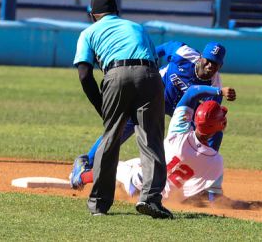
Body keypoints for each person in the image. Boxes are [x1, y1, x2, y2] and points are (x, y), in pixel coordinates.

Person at [70, 41, 228, 188]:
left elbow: (209, 117)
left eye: (215, 64)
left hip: (182, 110)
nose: (210, 66)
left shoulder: (215, 88)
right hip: (154, 95)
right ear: (201, 57)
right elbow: (160, 50)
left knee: (213, 132)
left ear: (220, 66)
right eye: (207, 60)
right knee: (122, 128)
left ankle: (200, 181)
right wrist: (148, 64)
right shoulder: (183, 53)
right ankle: (86, 163)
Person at [73, 0, 172, 218]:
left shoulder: (88, 32)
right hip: (150, 75)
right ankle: (151, 199)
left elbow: (84, 74)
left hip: (116, 74)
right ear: (117, 12)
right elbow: (154, 61)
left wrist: (102, 107)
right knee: (151, 139)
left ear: (92, 16)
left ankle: (99, 204)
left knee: (111, 138)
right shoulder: (137, 27)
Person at [77, 85, 237, 205]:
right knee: (135, 163)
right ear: (220, 126)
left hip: (139, 183)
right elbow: (214, 198)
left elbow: (191, 92)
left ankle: (80, 177)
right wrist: (242, 205)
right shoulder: (215, 161)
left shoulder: (179, 132)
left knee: (113, 166)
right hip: (160, 198)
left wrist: (218, 91)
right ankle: (94, 181)